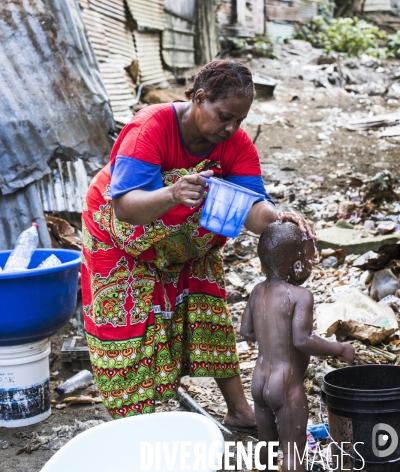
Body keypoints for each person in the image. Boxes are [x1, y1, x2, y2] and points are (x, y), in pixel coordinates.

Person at [81, 60, 315, 431]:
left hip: (182, 240)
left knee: (206, 305)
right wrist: (173, 192)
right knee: (128, 323)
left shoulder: (234, 143)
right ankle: (135, 428)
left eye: (239, 120)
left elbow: (252, 209)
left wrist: (278, 218)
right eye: (224, 116)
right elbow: (125, 207)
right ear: (200, 98)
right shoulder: (150, 128)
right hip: (121, 237)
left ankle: (239, 410)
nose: (231, 128)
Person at [240, 221, 355, 470]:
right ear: (298, 264)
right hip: (285, 385)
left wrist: (270, 332)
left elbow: (247, 331)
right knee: (293, 452)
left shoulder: (257, 291)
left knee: (266, 447)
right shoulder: (300, 296)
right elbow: (302, 340)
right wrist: (340, 349)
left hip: (259, 383)